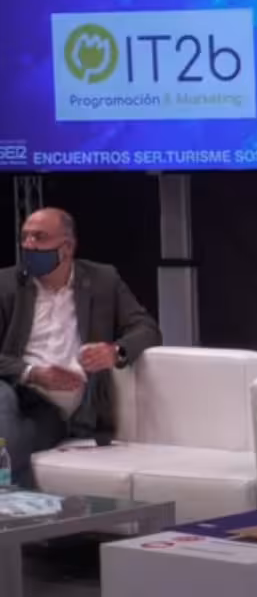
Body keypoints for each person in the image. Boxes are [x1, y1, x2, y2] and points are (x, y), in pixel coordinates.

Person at [0, 207, 162, 488]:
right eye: (25, 237)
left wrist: (115, 352)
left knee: (15, 440)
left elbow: (147, 328)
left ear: (67, 247)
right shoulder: (6, 284)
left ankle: (19, 509)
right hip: (14, 385)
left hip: (58, 406)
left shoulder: (103, 280)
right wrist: (32, 372)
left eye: (39, 237)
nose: (29, 245)